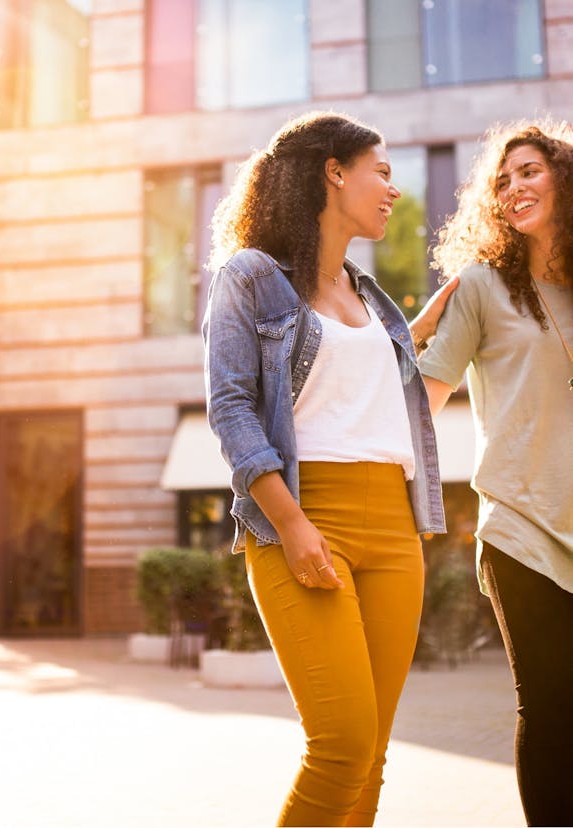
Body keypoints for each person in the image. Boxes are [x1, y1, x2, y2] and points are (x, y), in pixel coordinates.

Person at [202, 111, 447, 827]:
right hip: (306, 517)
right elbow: (233, 408)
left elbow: (399, 404)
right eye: (383, 172)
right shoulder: (250, 277)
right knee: (340, 744)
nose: (393, 191)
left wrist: (438, 327)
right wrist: (291, 521)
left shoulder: (374, 300)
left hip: (395, 530)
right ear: (333, 171)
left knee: (370, 753)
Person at [411, 120, 573, 827]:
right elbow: (421, 398)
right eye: (502, 181)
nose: (514, 188)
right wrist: (409, 332)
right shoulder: (481, 288)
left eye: (530, 171)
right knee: (550, 706)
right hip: (521, 525)